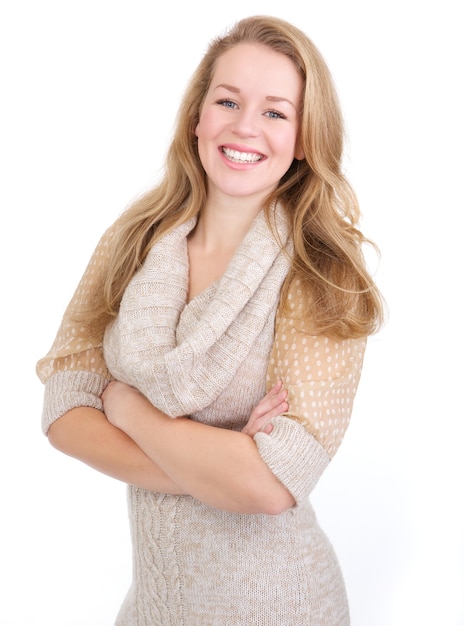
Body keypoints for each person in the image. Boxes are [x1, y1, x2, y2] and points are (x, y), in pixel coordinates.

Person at [36, 14, 384, 625]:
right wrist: (220, 465)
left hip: (277, 606)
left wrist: (127, 408)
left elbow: (273, 486)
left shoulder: (322, 274)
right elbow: (64, 412)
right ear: (198, 117)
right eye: (228, 101)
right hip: (155, 606)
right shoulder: (134, 241)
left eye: (276, 112)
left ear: (304, 138)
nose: (245, 126)